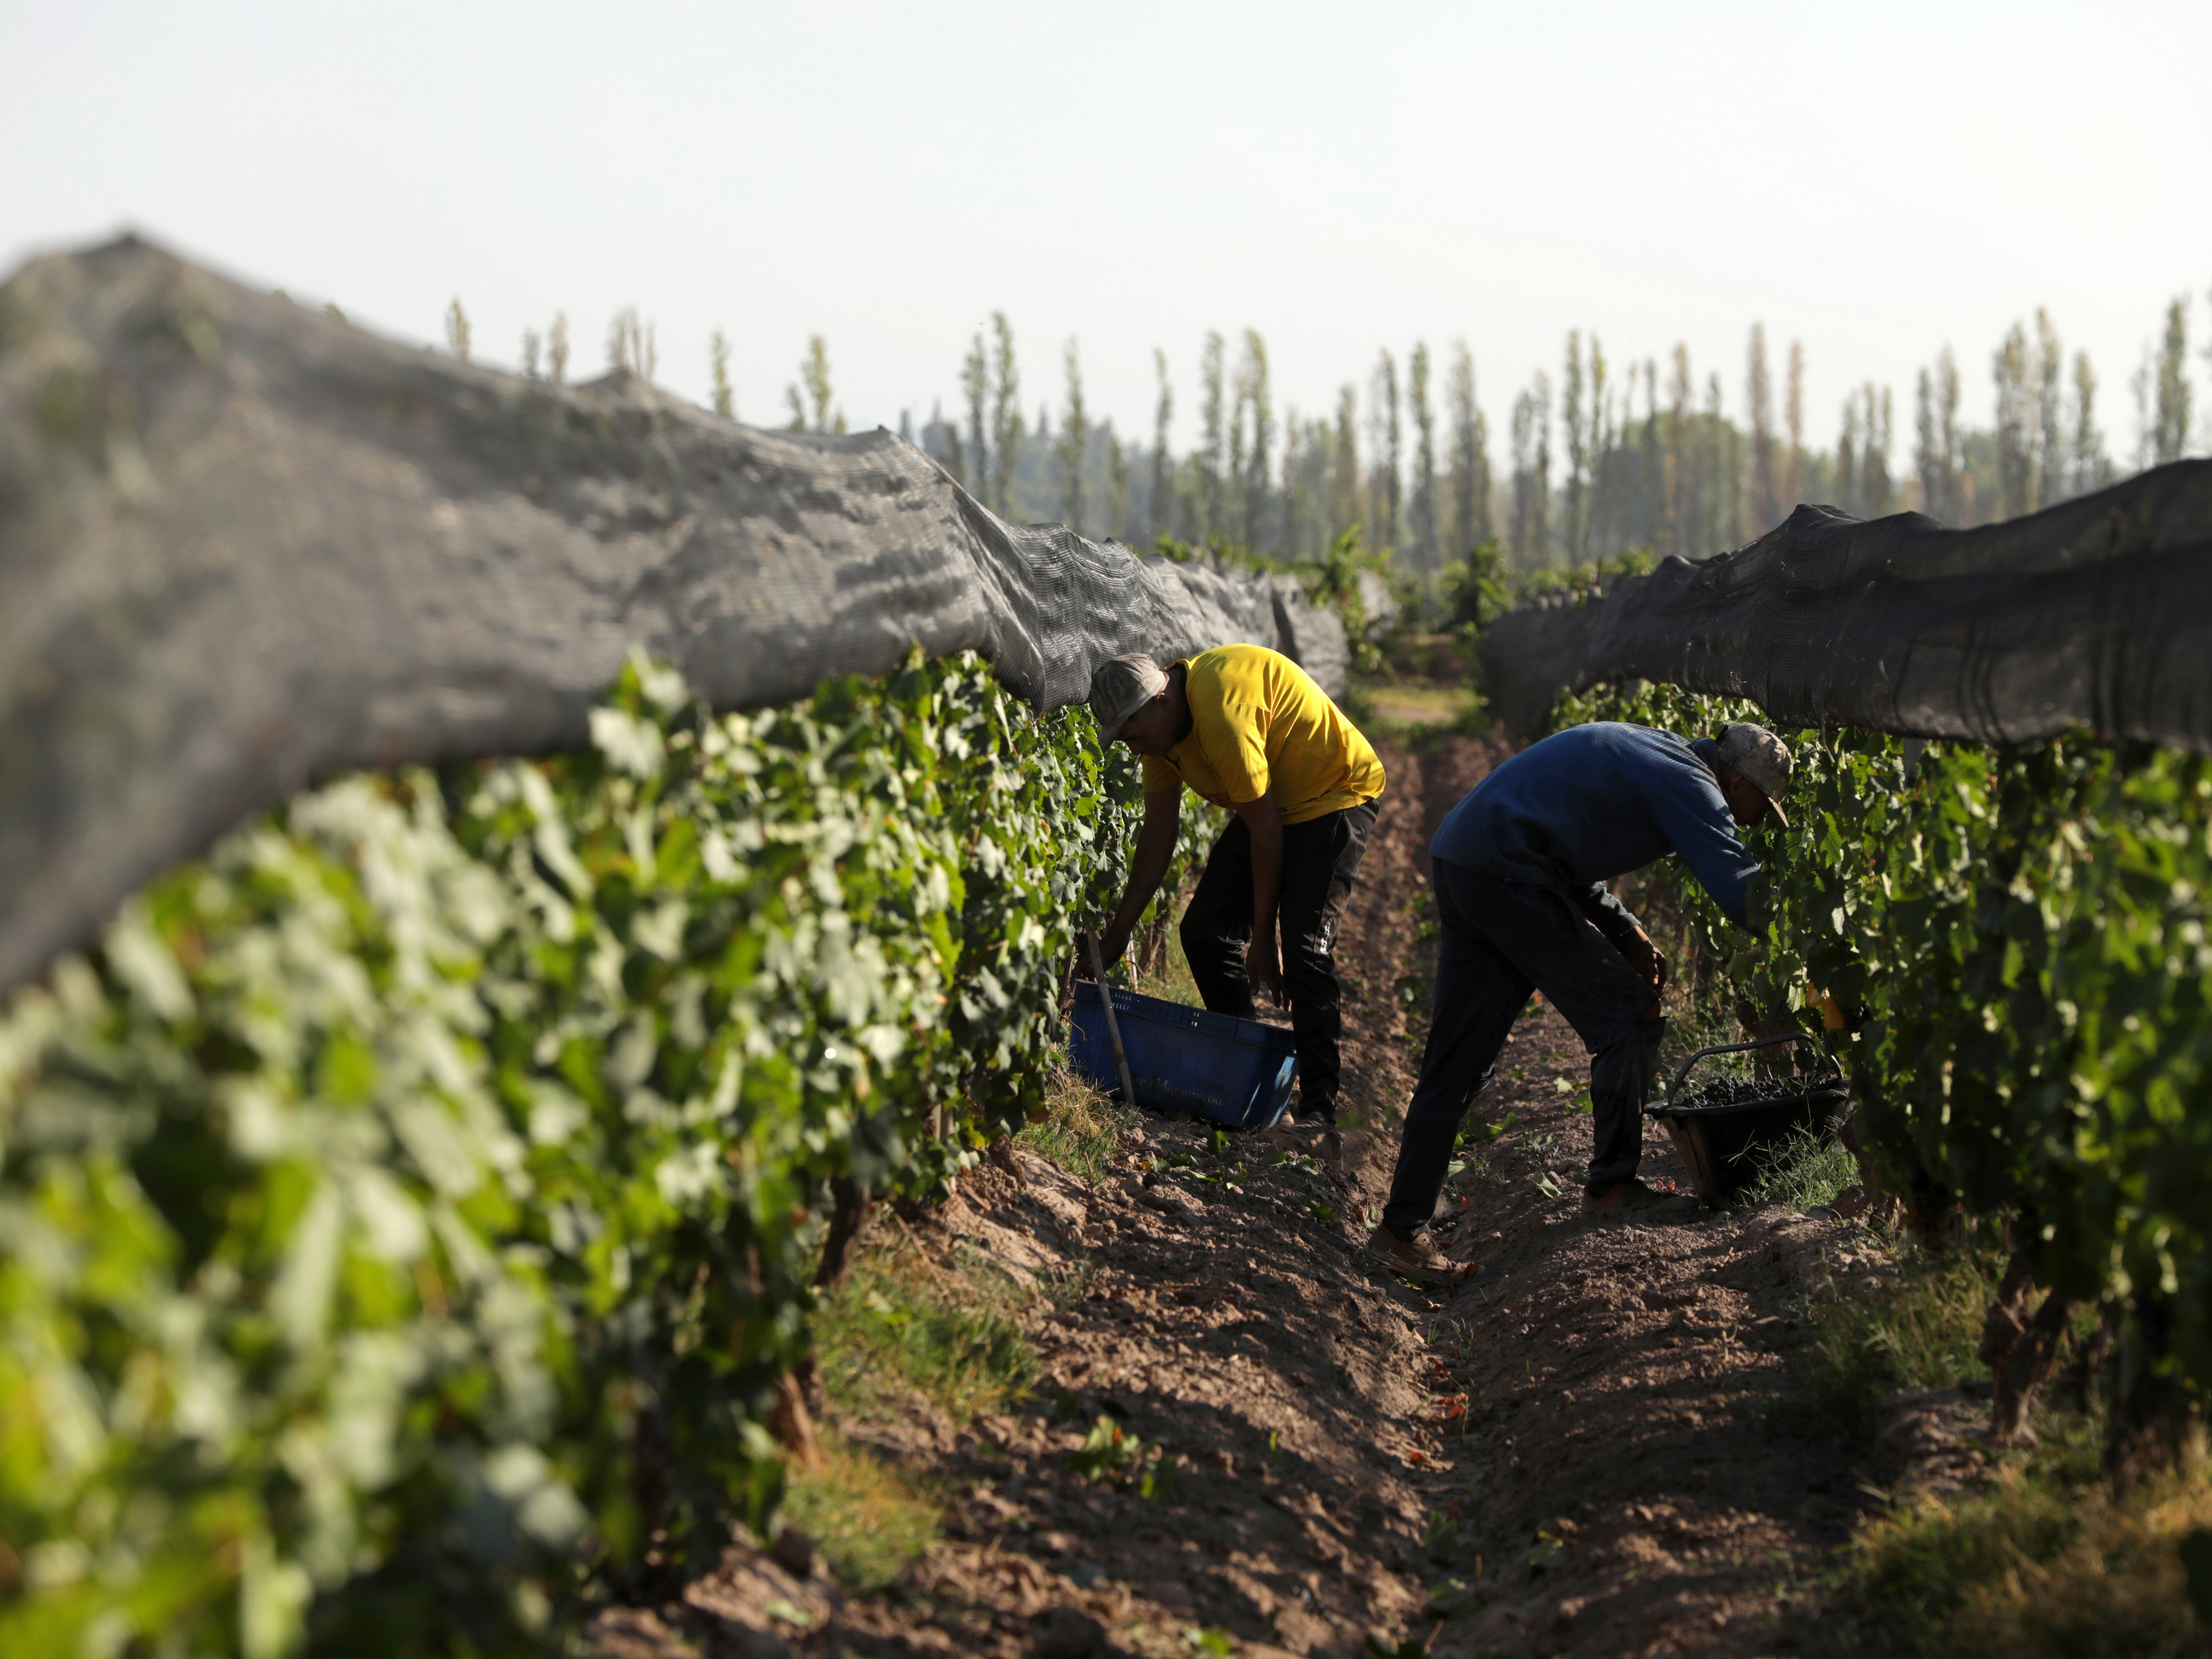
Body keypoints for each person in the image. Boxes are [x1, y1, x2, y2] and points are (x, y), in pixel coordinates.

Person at [1367, 720, 1794, 1286]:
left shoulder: (1656, 753)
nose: (1759, 817)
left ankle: (1399, 1232)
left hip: (1467, 859)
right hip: (1508, 874)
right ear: (1737, 782)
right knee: (1629, 1015)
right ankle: (1611, 1187)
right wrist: (1820, 935)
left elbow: (1564, 846)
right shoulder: (1694, 785)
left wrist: (1627, 932)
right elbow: (1742, 894)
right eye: (1763, 803)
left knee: (1458, 1063)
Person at [1087, 645, 1385, 1136]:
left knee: (1306, 949)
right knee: (1204, 933)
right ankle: (1247, 1085)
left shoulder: (1221, 714)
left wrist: (1263, 941)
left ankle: (1318, 1114)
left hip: (1333, 793)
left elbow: (1265, 830)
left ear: (1161, 702)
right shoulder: (1162, 738)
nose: (1134, 749)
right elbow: (1159, 836)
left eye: (1134, 735)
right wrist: (1118, 933)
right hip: (1273, 801)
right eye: (1124, 740)